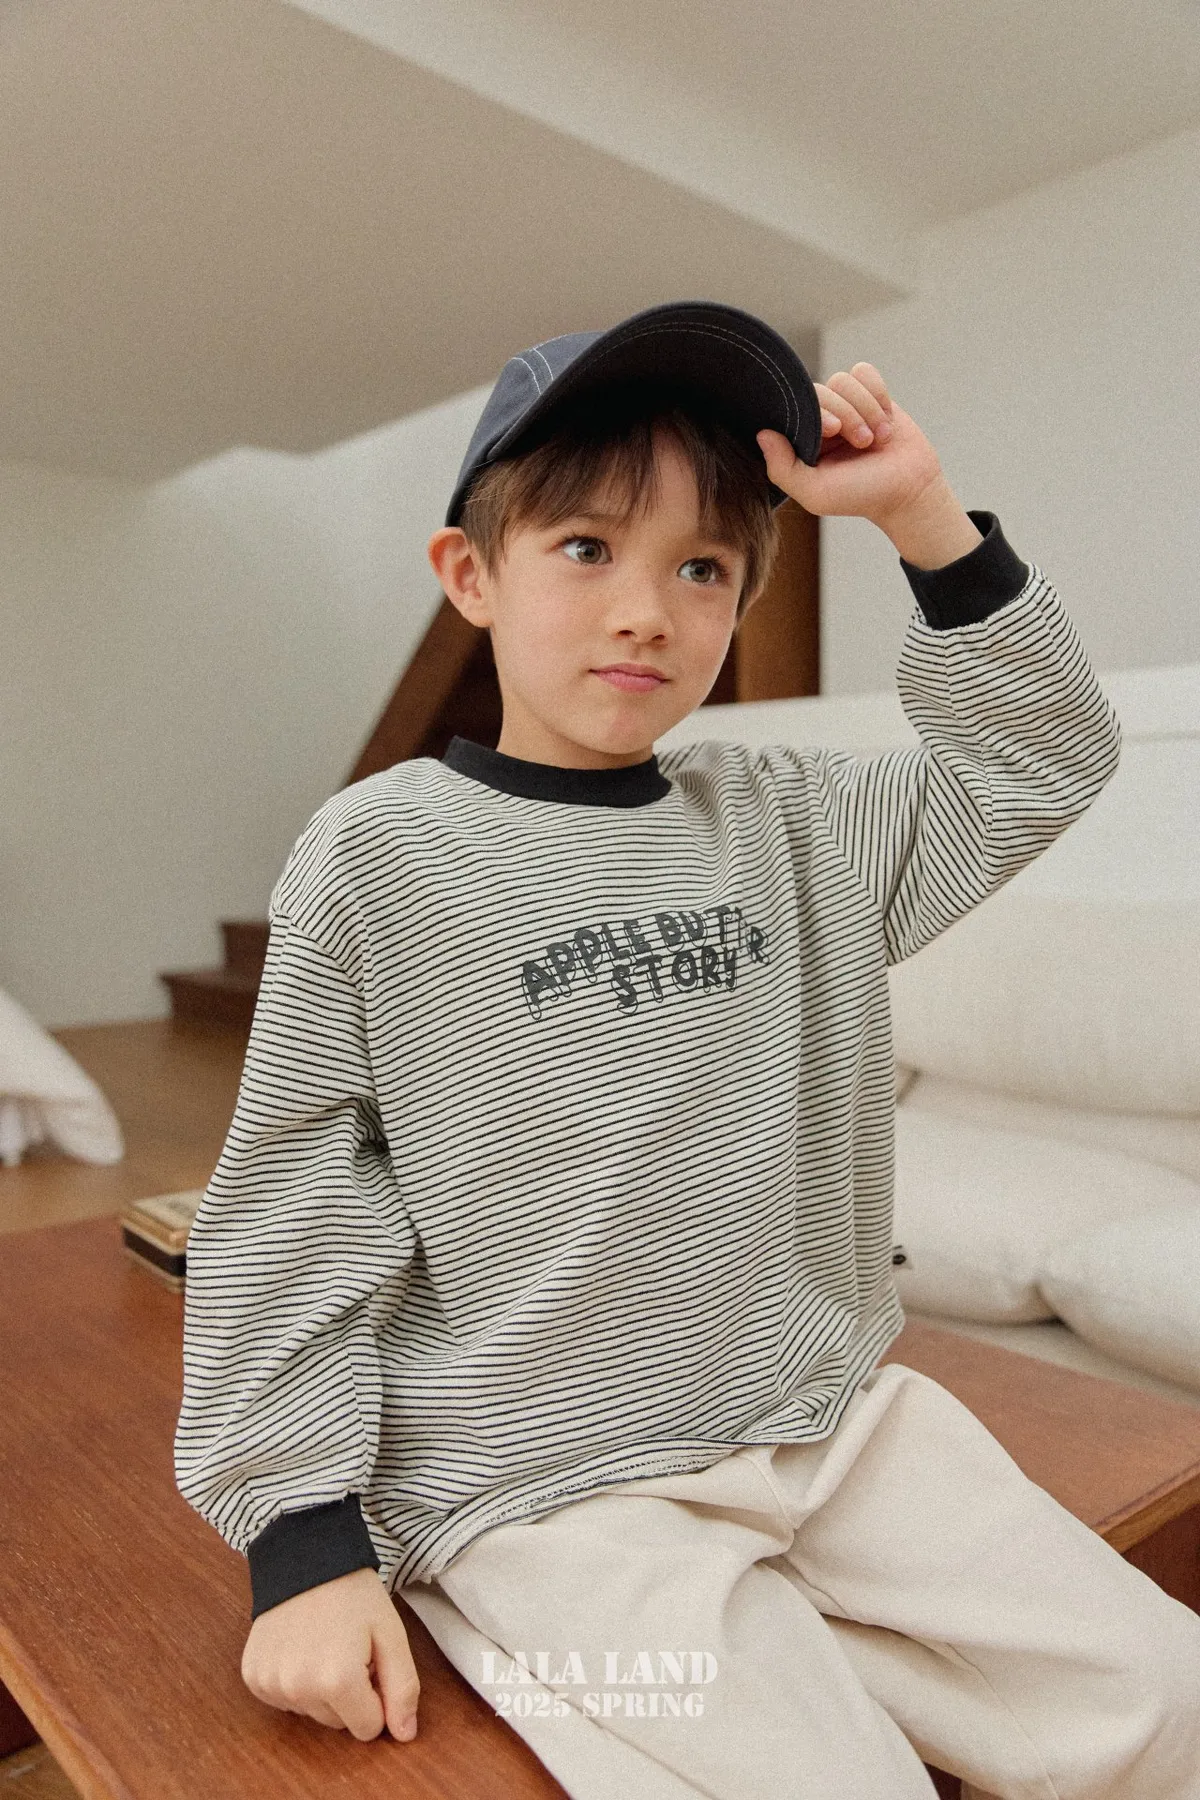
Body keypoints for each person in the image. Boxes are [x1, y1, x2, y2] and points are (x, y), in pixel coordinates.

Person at [174, 301, 1200, 1799]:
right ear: (471, 575)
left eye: (702, 567)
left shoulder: (792, 818)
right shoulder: (380, 852)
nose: (647, 610)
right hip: (541, 1478)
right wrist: (303, 1546)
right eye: (587, 548)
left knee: (1166, 1693)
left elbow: (1042, 758)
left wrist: (919, 514)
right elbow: (296, 1193)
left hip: (827, 1419)